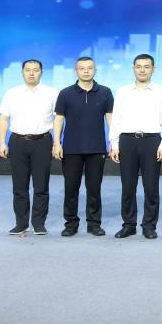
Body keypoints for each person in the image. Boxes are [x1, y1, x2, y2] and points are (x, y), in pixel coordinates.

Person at [109, 54, 162, 239]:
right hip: (127, 141)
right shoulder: (123, 91)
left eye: (146, 66)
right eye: (138, 66)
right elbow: (116, 119)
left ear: (153, 69)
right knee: (128, 187)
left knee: (151, 187)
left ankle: (149, 225)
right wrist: (114, 144)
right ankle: (129, 225)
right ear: (133, 68)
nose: (142, 70)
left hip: (152, 141)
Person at [53, 56, 113, 237]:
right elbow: (59, 119)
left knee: (94, 188)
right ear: (76, 71)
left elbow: (110, 119)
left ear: (95, 70)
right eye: (82, 68)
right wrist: (57, 143)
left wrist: (114, 142)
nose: (86, 71)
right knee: (71, 188)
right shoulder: (65, 93)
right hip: (71, 149)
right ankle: (71, 224)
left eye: (89, 68)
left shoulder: (105, 92)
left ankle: (94, 224)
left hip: (97, 148)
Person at [0, 59, 58, 236]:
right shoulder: (12, 93)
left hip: (42, 142)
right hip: (17, 142)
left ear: (41, 72)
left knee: (41, 185)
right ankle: (21, 223)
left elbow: (58, 120)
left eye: (35, 70)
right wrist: (2, 143)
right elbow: (4, 119)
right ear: (22, 72)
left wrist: (57, 143)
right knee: (19, 186)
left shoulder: (52, 93)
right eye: (28, 70)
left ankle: (38, 224)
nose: (31, 73)